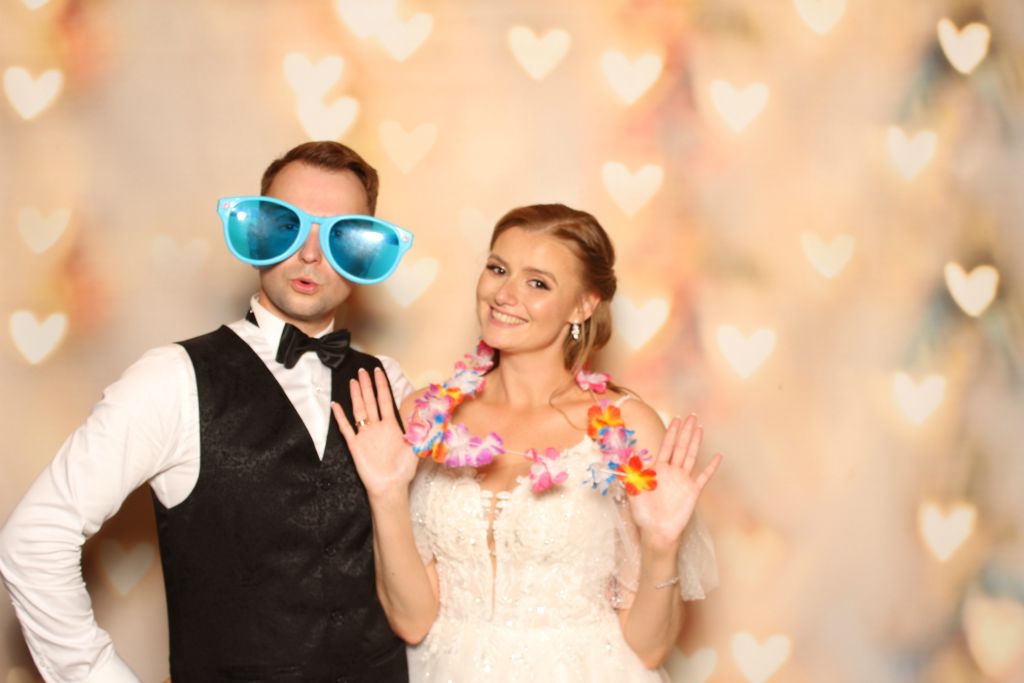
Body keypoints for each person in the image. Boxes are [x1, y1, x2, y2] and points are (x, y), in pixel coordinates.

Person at [0, 141, 416, 682]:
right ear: (257, 234)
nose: (310, 254)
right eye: (286, 225)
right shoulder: (171, 378)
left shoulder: (389, 384)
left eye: (340, 235)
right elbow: (35, 539)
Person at [333, 203, 721, 681]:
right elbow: (412, 622)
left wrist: (662, 546)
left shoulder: (627, 427)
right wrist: (386, 495)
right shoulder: (426, 416)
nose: (504, 293)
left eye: (538, 283)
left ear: (583, 306)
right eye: (498, 269)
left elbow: (650, 647)